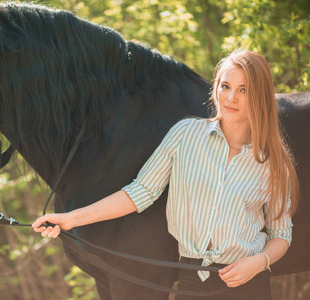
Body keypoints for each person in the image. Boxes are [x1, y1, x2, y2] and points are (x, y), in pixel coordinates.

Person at [32, 49, 299, 299]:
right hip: (192, 281)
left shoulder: (274, 163)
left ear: (260, 96)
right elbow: (140, 192)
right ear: (215, 86)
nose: (231, 98)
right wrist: (70, 219)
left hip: (247, 286)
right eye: (225, 86)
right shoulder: (185, 135)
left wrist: (257, 262)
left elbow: (280, 235)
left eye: (244, 90)